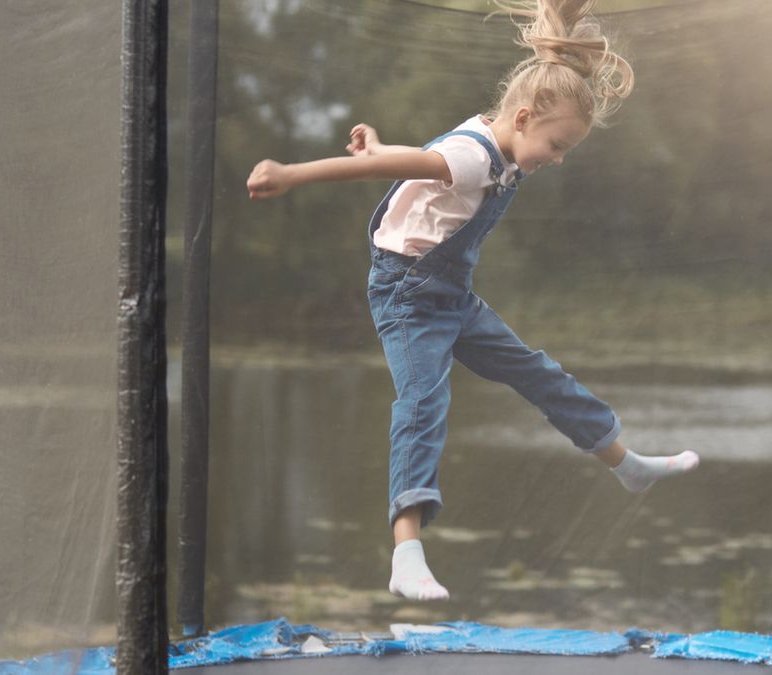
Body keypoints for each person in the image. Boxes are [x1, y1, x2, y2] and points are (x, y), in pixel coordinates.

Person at [246, 0, 699, 602]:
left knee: (537, 372)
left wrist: (379, 148)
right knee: (422, 402)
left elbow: (420, 163)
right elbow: (406, 169)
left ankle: (626, 464)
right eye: (556, 144)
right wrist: (291, 174)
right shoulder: (475, 156)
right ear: (522, 117)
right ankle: (406, 554)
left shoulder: (497, 142)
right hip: (407, 296)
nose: (558, 158)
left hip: (450, 295)